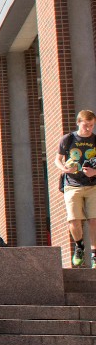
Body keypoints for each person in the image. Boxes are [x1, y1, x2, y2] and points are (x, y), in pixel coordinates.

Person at [55, 109, 96, 267]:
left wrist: (94, 171)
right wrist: (64, 169)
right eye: (86, 125)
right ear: (78, 123)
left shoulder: (95, 139)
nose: (89, 129)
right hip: (72, 185)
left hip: (93, 185)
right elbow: (57, 160)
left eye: (91, 125)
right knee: (73, 220)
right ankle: (79, 246)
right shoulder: (68, 139)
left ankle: (94, 255)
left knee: (94, 221)